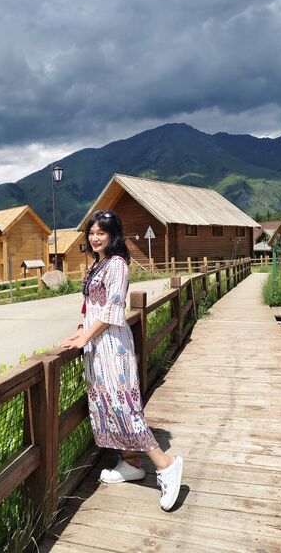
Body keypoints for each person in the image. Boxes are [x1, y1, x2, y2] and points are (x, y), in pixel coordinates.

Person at [61, 209, 183, 511]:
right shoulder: (98, 264)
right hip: (97, 347)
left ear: (113, 235)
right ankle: (131, 463)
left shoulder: (117, 264)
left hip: (112, 346)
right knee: (104, 404)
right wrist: (81, 330)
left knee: (123, 406)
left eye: (101, 232)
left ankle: (166, 464)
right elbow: (92, 306)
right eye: (91, 233)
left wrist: (85, 337)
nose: (95, 238)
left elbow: (112, 311)